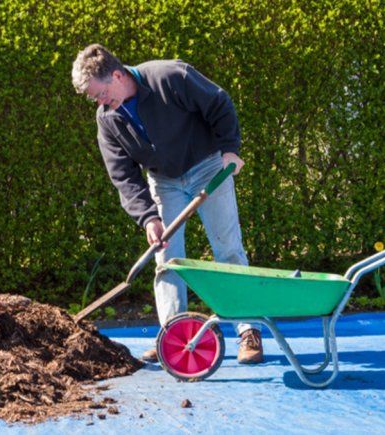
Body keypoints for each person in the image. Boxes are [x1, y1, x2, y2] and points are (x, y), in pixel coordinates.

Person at [71, 44, 263, 364]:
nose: (100, 102)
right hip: (164, 181)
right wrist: (148, 217)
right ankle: (174, 336)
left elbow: (218, 102)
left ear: (117, 75)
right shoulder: (108, 118)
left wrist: (230, 149)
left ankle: (249, 332)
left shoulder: (169, 76)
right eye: (94, 99)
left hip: (208, 167)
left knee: (227, 248)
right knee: (167, 257)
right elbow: (124, 176)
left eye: (101, 94)